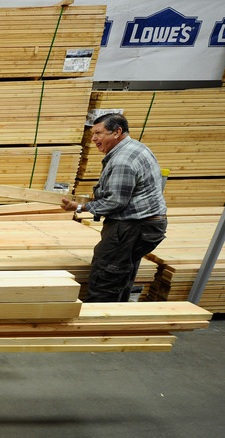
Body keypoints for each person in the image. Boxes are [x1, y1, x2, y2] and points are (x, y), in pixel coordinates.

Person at [61, 113, 167, 302]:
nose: (93, 138)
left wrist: (80, 207)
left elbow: (115, 202)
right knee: (122, 272)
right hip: (145, 225)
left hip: (131, 227)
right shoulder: (136, 148)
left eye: (99, 133)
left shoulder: (122, 161)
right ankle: (116, 318)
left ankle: (98, 322)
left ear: (117, 132)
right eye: (93, 134)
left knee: (106, 275)